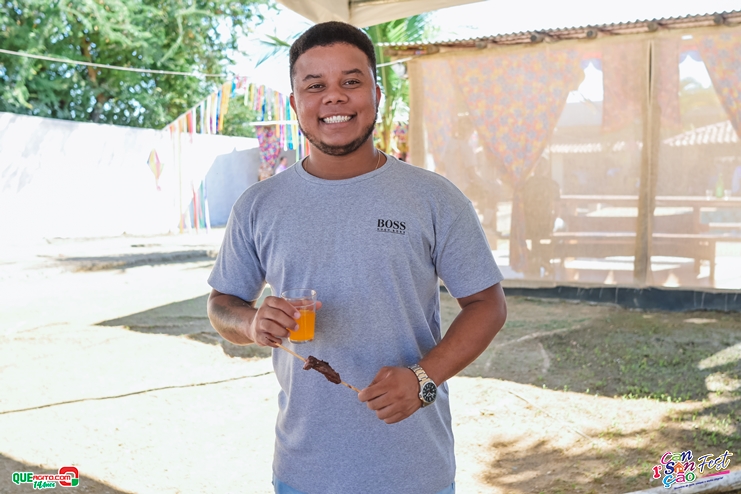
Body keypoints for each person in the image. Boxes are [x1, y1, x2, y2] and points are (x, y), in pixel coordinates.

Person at [206, 21, 506, 494]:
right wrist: (250, 322)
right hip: (303, 472)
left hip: (415, 471)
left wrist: (423, 378)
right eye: (315, 85)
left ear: (376, 95)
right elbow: (222, 304)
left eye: (351, 81)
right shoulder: (259, 205)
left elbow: (487, 305)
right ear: (294, 104)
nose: (334, 96)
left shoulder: (433, 198)